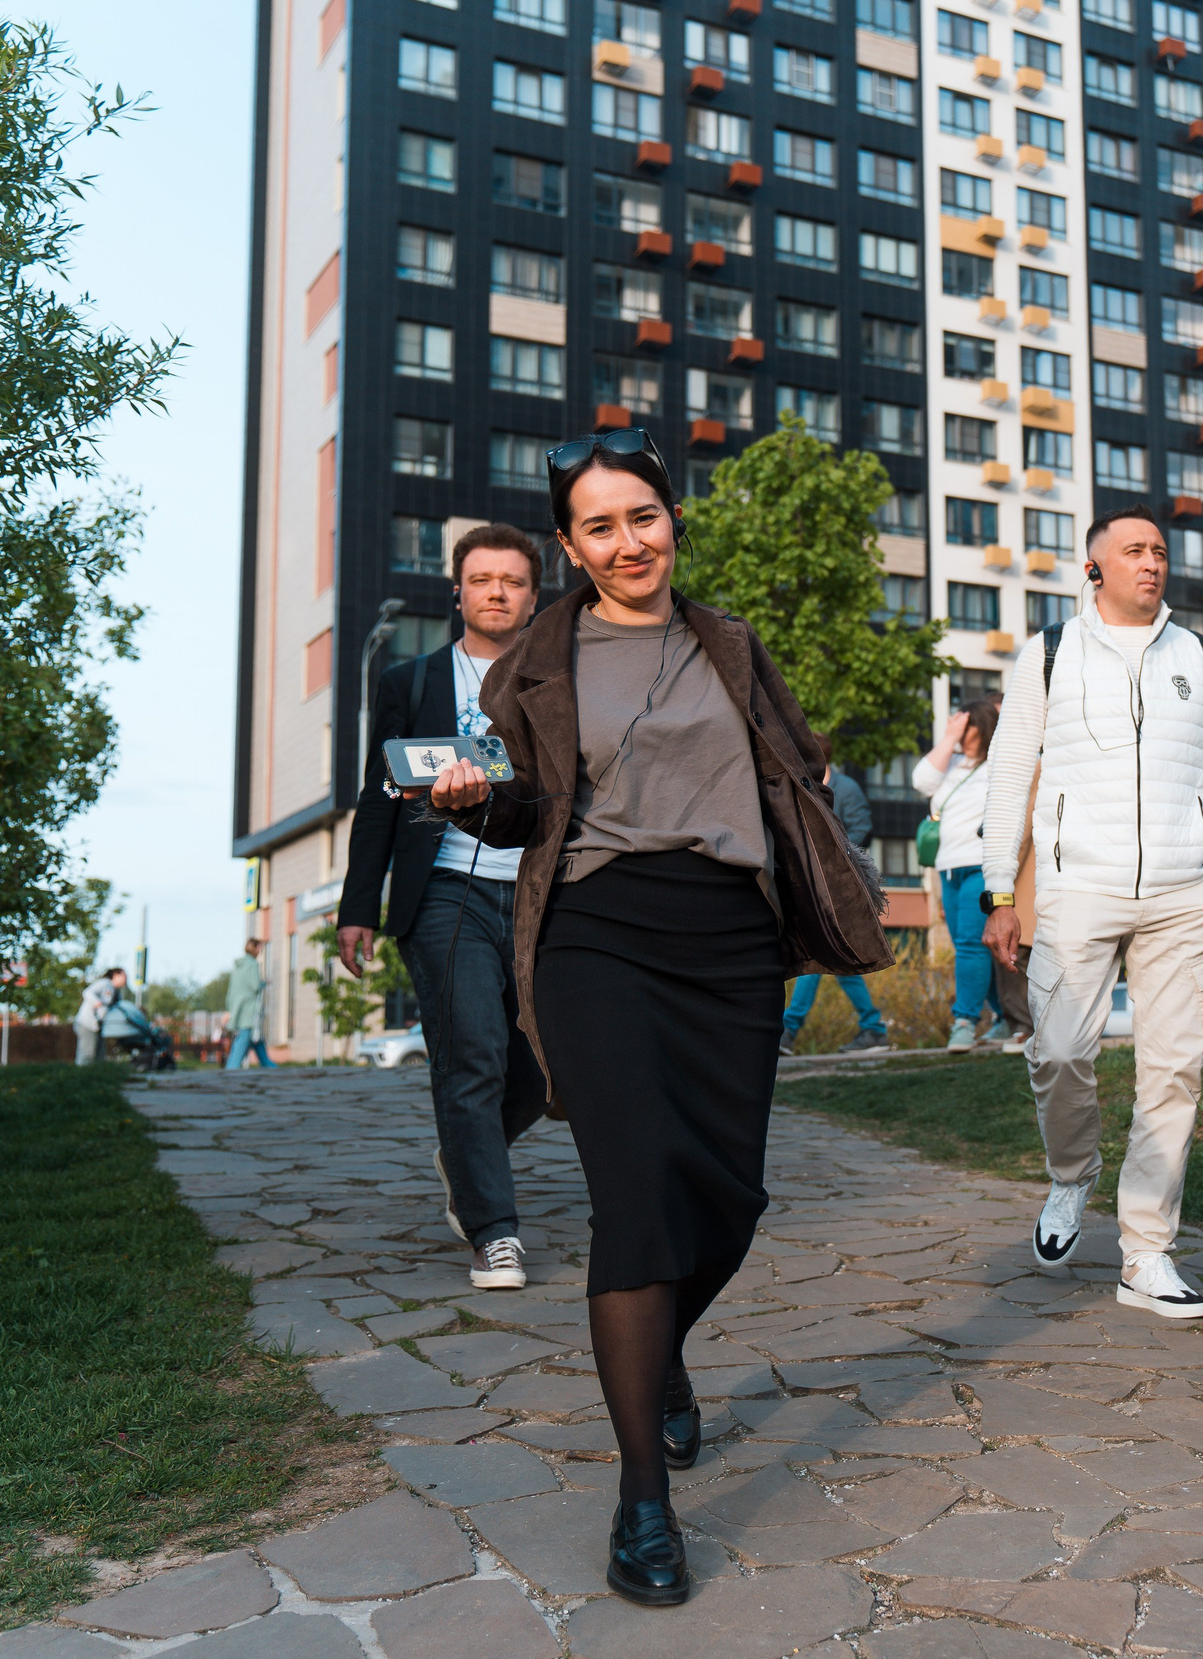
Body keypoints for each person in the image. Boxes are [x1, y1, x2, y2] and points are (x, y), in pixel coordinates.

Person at [418, 427, 882, 1609]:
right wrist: (480, 801)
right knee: (634, 1200)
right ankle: (642, 1501)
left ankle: (661, 1357)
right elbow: (538, 806)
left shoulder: (729, 643)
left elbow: (793, 762)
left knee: (728, 1197)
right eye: (600, 526)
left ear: (672, 519)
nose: (628, 542)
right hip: (595, 934)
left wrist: (808, 789)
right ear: (570, 546)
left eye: (644, 516)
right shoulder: (535, 661)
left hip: (728, 936)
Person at [978, 507, 1203, 1318]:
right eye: (1134, 550)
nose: (1153, 563)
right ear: (1094, 567)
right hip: (1078, 889)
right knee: (1061, 1049)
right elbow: (1008, 776)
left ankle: (1147, 1250)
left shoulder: (1200, 656)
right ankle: (1072, 1176)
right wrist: (1001, 893)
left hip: (1183, 895)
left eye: (1161, 552)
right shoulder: (1051, 653)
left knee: (1173, 1070)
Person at [337, 525, 551, 1293]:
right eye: (483, 578)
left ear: (534, 594)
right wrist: (357, 905)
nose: (498, 591)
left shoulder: (559, 681)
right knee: (473, 1057)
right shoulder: (410, 679)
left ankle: (466, 1156)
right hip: (446, 888)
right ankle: (495, 1233)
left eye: (514, 580)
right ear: (456, 590)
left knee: (552, 1068)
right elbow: (378, 795)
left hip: (540, 892)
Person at [782, 738, 892, 1055]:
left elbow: (863, 828)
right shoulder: (803, 788)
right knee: (841, 962)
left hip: (842, 886)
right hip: (813, 887)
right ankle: (872, 1027)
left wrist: (835, 854)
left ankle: (789, 1030)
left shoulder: (847, 788)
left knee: (817, 955)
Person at [914, 700, 1010, 1052]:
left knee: (970, 945)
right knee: (969, 946)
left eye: (963, 724)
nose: (955, 728)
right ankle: (1005, 1017)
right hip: (947, 868)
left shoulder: (1000, 761)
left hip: (980, 864)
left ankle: (965, 1022)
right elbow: (920, 781)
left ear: (980, 727)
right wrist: (950, 737)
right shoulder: (951, 764)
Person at [225, 940, 275, 1069]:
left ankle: (270, 1066)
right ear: (256, 948)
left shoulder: (238, 967)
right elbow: (254, 986)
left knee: (256, 1040)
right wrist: (264, 983)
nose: (260, 951)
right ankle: (230, 1071)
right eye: (260, 948)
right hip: (249, 1009)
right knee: (244, 1039)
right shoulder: (253, 965)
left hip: (239, 1008)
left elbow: (231, 990)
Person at [74, 966, 126, 1065]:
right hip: (87, 1024)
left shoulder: (116, 992)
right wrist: (97, 1003)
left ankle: (95, 1077)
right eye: (124, 976)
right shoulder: (104, 983)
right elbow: (87, 992)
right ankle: (82, 1077)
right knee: (87, 1055)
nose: (126, 979)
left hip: (98, 1027)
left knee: (100, 1056)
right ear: (115, 975)